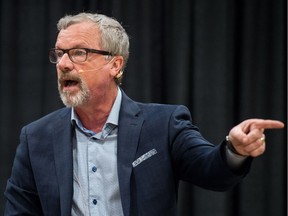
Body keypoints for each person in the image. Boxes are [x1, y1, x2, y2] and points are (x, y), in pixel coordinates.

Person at [4, 12, 284, 216]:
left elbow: (212, 171)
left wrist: (234, 149)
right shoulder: (36, 137)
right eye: (59, 53)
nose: (63, 64)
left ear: (114, 65)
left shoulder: (163, 125)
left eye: (78, 53)